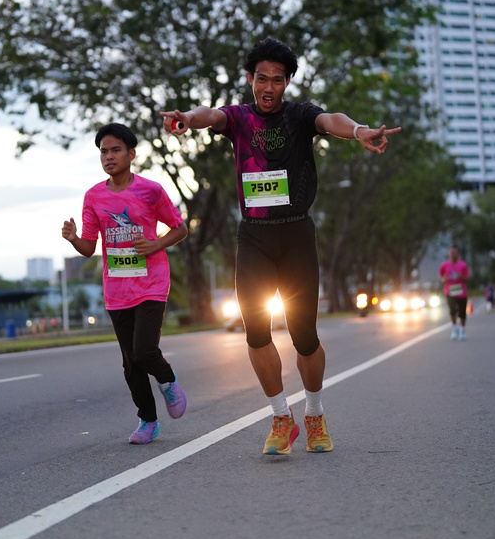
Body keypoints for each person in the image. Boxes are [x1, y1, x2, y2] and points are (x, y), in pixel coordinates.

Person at [160, 37, 400, 456]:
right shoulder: (238, 118)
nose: (268, 87)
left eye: (276, 80)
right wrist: (186, 119)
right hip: (254, 236)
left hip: (296, 235)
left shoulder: (300, 115)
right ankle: (280, 417)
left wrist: (358, 131)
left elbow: (331, 120)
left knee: (304, 336)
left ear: (287, 82)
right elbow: (208, 115)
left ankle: (314, 413)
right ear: (249, 79)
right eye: (261, 79)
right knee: (256, 333)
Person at [62, 123, 188, 444]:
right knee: (130, 363)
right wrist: (74, 238)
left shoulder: (151, 191)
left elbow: (180, 228)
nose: (108, 156)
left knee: (144, 351)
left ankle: (168, 380)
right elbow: (89, 247)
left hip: (151, 284)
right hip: (116, 290)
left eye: (115, 150)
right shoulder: (94, 196)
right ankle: (148, 421)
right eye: (103, 151)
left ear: (131, 154)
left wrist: (155, 244)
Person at [438, 245, 470, 340]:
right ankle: (455, 328)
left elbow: (467, 277)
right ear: (449, 254)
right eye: (451, 253)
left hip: (461, 292)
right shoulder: (444, 265)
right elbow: (440, 276)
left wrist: (461, 277)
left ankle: (462, 329)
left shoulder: (463, 265)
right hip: (450, 291)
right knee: (452, 310)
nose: (453, 255)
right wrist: (444, 279)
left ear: (458, 254)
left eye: (455, 253)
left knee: (462, 311)